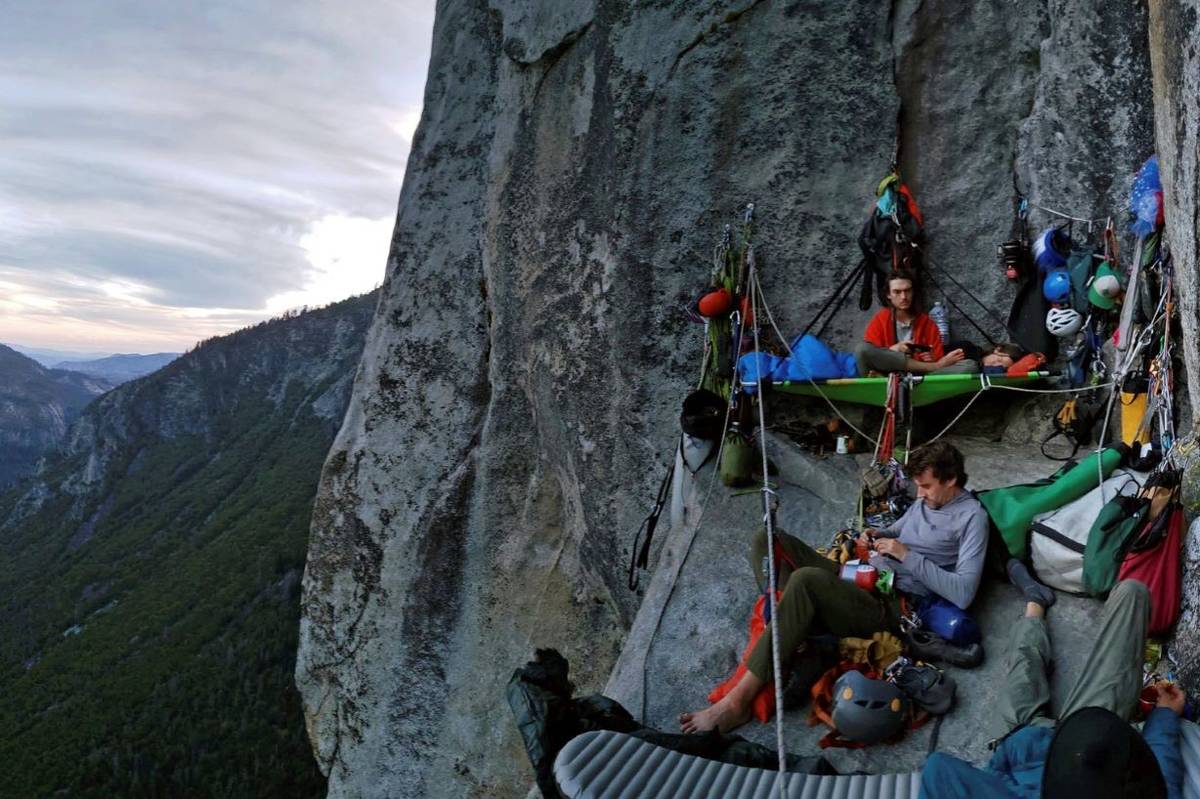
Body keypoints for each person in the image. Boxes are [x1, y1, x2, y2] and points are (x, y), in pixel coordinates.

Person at [679, 441, 988, 734]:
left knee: (806, 580)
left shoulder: (971, 519)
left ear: (950, 480)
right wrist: (873, 533)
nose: (919, 495)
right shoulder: (925, 501)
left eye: (926, 486)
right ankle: (793, 626)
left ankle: (738, 701)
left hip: (890, 604)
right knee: (768, 539)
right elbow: (899, 529)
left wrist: (905, 554)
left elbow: (963, 592)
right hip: (861, 576)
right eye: (917, 486)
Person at [921, 580, 1184, 798]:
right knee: (1133, 593)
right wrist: (1165, 716)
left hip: (1018, 743)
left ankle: (1034, 607)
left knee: (1025, 664)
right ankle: (1034, 605)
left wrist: (1001, 769)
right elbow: (1158, 779)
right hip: (1088, 748)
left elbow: (938, 770)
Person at [855, 271, 975, 375]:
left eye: (907, 291)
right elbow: (872, 355)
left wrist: (932, 360)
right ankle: (896, 384)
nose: (903, 297)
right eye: (897, 292)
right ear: (888, 295)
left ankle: (909, 386)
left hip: (920, 376)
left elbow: (938, 357)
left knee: (970, 366)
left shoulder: (927, 323)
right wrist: (893, 350)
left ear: (913, 292)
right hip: (888, 374)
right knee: (862, 349)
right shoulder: (880, 319)